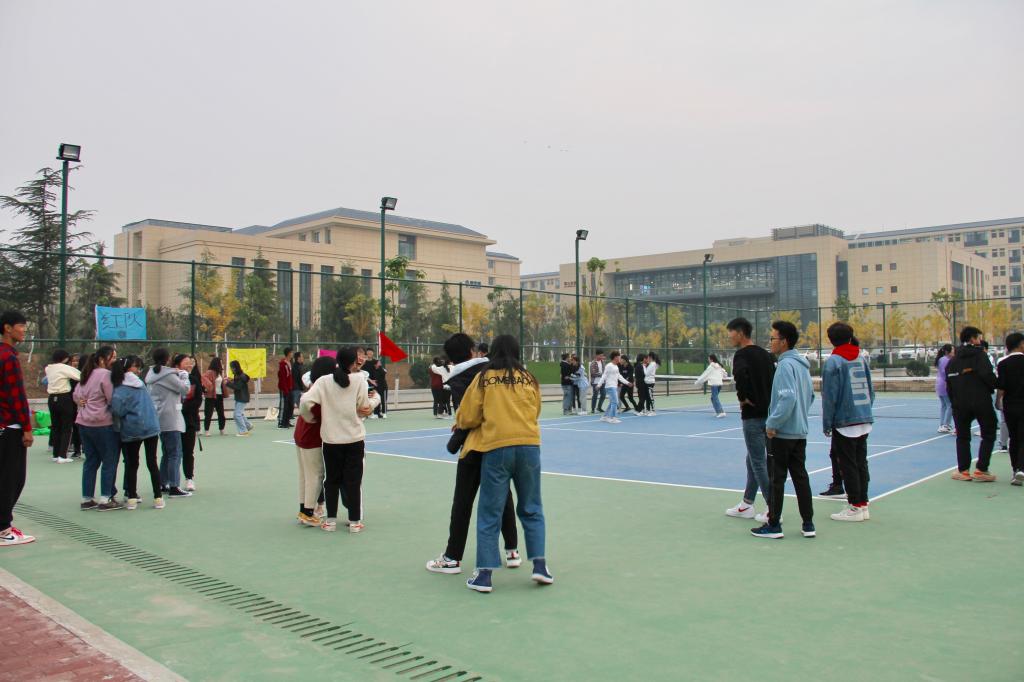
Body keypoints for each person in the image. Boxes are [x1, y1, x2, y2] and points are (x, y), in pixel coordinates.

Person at [459, 335, 551, 593]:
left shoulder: (484, 377)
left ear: (492, 352)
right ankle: (540, 566)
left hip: (496, 447)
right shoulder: (528, 378)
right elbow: (536, 410)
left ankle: (485, 575)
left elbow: (468, 415)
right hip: (529, 446)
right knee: (532, 507)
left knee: (490, 511)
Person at [426, 332, 520, 575]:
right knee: (503, 496)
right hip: (499, 442)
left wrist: (459, 429)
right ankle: (512, 551)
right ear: (472, 350)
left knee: (463, 503)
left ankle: (452, 558)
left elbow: (469, 415)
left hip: (474, 446)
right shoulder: (492, 370)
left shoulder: (457, 379)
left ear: (451, 357)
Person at [299, 347, 379, 533]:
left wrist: (309, 417)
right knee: (353, 481)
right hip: (354, 439)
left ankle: (331, 521)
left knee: (332, 481)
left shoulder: (324, 381)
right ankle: (355, 522)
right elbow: (364, 409)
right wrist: (376, 400)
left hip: (331, 440)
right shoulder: (359, 380)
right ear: (353, 363)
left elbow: (305, 401)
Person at [751, 320, 815, 539]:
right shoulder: (802, 366)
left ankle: (774, 525)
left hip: (783, 434)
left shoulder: (785, 366)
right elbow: (810, 396)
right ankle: (808, 524)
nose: (770, 342)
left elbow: (788, 398)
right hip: (799, 432)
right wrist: (798, 417)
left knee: (776, 479)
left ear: (784, 341)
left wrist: (772, 424)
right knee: (800, 478)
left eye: (773, 338)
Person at [821, 323, 875, 522]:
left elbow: (829, 396)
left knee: (848, 465)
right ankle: (863, 504)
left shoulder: (833, 362)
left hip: (845, 421)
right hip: (864, 418)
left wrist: (827, 423)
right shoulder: (861, 358)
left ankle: (854, 507)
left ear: (831, 340)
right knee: (861, 463)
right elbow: (870, 390)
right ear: (850, 337)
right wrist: (865, 411)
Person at [723, 317, 775, 522]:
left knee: (758, 462)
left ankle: (773, 508)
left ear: (740, 333)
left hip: (753, 416)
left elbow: (740, 376)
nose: (729, 336)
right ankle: (747, 504)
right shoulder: (766, 355)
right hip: (769, 415)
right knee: (752, 459)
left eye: (730, 332)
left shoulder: (741, 355)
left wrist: (742, 398)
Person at [0, 311, 36, 546]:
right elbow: (17, 397)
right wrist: (27, 427)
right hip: (10, 427)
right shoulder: (8, 357)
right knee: (12, 479)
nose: (24, 330)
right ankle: (3, 529)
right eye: (21, 326)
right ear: (7, 328)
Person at [110, 356, 163, 510]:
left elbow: (117, 410)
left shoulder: (119, 387)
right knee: (152, 462)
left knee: (132, 464)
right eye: (136, 367)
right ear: (128, 368)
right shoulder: (140, 384)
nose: (138, 370)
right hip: (150, 426)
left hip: (131, 428)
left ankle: (132, 498)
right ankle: (158, 498)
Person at [946, 326, 998, 482]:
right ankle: (981, 469)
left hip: (960, 404)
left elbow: (949, 385)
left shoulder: (953, 361)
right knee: (989, 432)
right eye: (978, 337)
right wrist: (994, 387)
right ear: (972, 339)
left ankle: (963, 471)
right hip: (981, 401)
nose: (980, 340)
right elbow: (988, 376)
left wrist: (955, 401)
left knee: (962, 437)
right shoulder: (980, 356)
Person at [75, 345, 121, 511]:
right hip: (103, 423)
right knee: (109, 460)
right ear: (102, 359)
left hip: (84, 422)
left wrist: (81, 402)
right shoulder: (106, 375)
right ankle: (105, 498)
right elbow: (112, 399)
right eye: (113, 357)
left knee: (91, 461)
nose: (115, 360)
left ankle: (87, 498)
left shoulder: (86, 374)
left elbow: (76, 394)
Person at [294, 356, 336, 526]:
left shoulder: (314, 386)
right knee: (315, 475)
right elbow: (311, 408)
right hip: (311, 436)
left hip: (301, 433)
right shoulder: (321, 390)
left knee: (305, 474)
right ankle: (309, 512)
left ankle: (303, 510)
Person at [146, 348, 192, 497]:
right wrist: (184, 376)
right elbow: (185, 389)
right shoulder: (168, 375)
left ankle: (163, 482)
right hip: (171, 417)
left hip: (159, 416)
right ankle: (174, 486)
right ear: (167, 359)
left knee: (167, 453)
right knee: (175, 453)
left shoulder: (152, 374)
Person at [997, 332, 1024, 486]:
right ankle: (1021, 468)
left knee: (1013, 437)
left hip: (1010, 405)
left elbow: (1001, 387)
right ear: (1021, 344)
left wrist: (998, 401)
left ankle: (1015, 470)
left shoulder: (1003, 364)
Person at [45, 349, 80, 463]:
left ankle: (55, 454)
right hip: (64, 398)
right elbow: (80, 376)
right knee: (66, 427)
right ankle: (63, 456)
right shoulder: (65, 368)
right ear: (64, 358)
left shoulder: (48, 368)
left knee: (56, 427)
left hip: (52, 399)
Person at [178, 355, 202, 492]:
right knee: (172, 452)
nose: (189, 365)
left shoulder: (194, 380)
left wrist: (184, 409)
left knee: (188, 451)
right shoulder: (172, 379)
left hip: (189, 421)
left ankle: (189, 478)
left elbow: (198, 400)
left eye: (191, 363)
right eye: (186, 362)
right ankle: (170, 480)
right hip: (173, 421)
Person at [599, 351, 632, 424]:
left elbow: (619, 377)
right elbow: (604, 375)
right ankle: (612, 418)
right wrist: (599, 384)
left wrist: (627, 383)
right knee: (615, 402)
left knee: (612, 402)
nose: (620, 359)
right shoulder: (609, 366)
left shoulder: (616, 366)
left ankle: (604, 417)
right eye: (619, 357)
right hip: (610, 386)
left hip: (614, 386)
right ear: (615, 357)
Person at [202, 356, 228, 436]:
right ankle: (206, 430)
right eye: (220, 362)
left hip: (219, 395)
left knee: (221, 413)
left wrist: (224, 381)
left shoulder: (219, 373)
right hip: (210, 396)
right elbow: (204, 379)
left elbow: (220, 383)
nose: (221, 364)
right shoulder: (209, 372)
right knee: (208, 414)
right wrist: (209, 385)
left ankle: (222, 429)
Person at [227, 360, 254, 437]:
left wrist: (228, 383)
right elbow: (237, 384)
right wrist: (231, 381)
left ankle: (244, 431)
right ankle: (248, 425)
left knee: (237, 415)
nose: (231, 369)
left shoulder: (241, 376)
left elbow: (238, 387)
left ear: (235, 368)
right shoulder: (238, 375)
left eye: (232, 367)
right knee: (240, 413)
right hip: (240, 397)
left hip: (242, 397)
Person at [935, 344, 955, 433]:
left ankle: (942, 424)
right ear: (947, 352)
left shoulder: (940, 359)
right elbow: (945, 373)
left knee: (944, 405)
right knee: (950, 405)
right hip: (944, 384)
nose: (954, 351)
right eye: (952, 350)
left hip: (939, 384)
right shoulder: (946, 360)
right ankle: (946, 425)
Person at [277, 347, 294, 428]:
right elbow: (283, 378)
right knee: (284, 405)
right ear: (288, 353)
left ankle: (287, 421)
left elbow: (290, 377)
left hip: (290, 388)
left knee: (290, 405)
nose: (292, 354)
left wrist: (291, 387)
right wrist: (285, 389)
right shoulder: (283, 364)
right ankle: (281, 422)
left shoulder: (290, 363)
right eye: (292, 352)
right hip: (284, 388)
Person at [589, 350, 606, 414]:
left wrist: (604, 375)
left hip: (603, 382)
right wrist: (601, 374)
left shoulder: (603, 362)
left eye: (602, 355)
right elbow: (593, 373)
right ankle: (593, 409)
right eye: (601, 355)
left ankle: (599, 407)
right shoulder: (593, 363)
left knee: (603, 394)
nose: (602, 357)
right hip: (595, 382)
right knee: (595, 395)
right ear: (597, 355)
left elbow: (605, 371)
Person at [290, 352, 305, 422]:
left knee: (300, 405)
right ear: (298, 358)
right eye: (302, 357)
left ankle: (304, 418)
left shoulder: (300, 366)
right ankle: (286, 419)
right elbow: (297, 379)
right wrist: (300, 388)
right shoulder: (295, 367)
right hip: (296, 389)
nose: (303, 358)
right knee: (292, 404)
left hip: (298, 388)